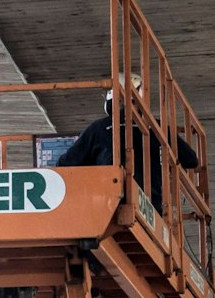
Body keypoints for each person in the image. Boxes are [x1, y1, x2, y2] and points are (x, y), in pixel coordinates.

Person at [54, 76, 201, 207]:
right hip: (150, 205)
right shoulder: (158, 128)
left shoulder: (97, 129)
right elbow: (191, 160)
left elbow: (64, 165)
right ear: (142, 99)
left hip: (107, 203)